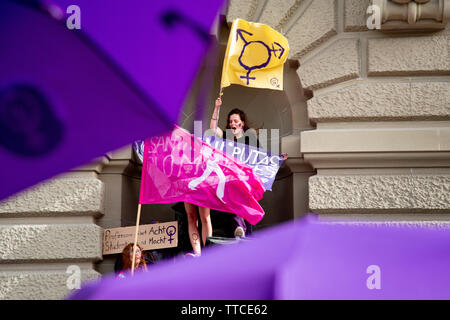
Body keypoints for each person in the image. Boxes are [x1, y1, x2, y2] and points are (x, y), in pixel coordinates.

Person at [210, 97, 287, 238]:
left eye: (235, 121)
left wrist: (277, 158)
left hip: (245, 182)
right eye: (230, 121)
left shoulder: (249, 140)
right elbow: (213, 128)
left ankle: (241, 229)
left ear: (242, 123)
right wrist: (217, 107)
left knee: (242, 206)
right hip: (229, 182)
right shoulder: (225, 139)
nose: (232, 123)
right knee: (233, 205)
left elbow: (262, 157)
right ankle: (239, 229)